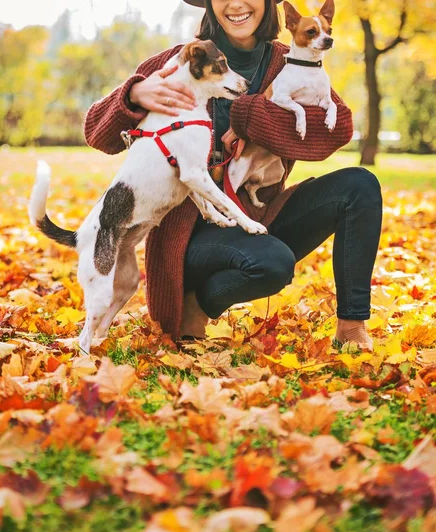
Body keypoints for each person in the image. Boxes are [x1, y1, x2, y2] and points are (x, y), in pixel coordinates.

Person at [84, 0, 382, 350]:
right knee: (273, 263)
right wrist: (134, 94)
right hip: (190, 235)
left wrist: (250, 116)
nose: (237, 3)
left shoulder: (292, 60)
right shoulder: (181, 61)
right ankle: (196, 304)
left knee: (360, 185)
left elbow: (339, 128)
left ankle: (351, 326)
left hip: (258, 215)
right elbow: (96, 132)